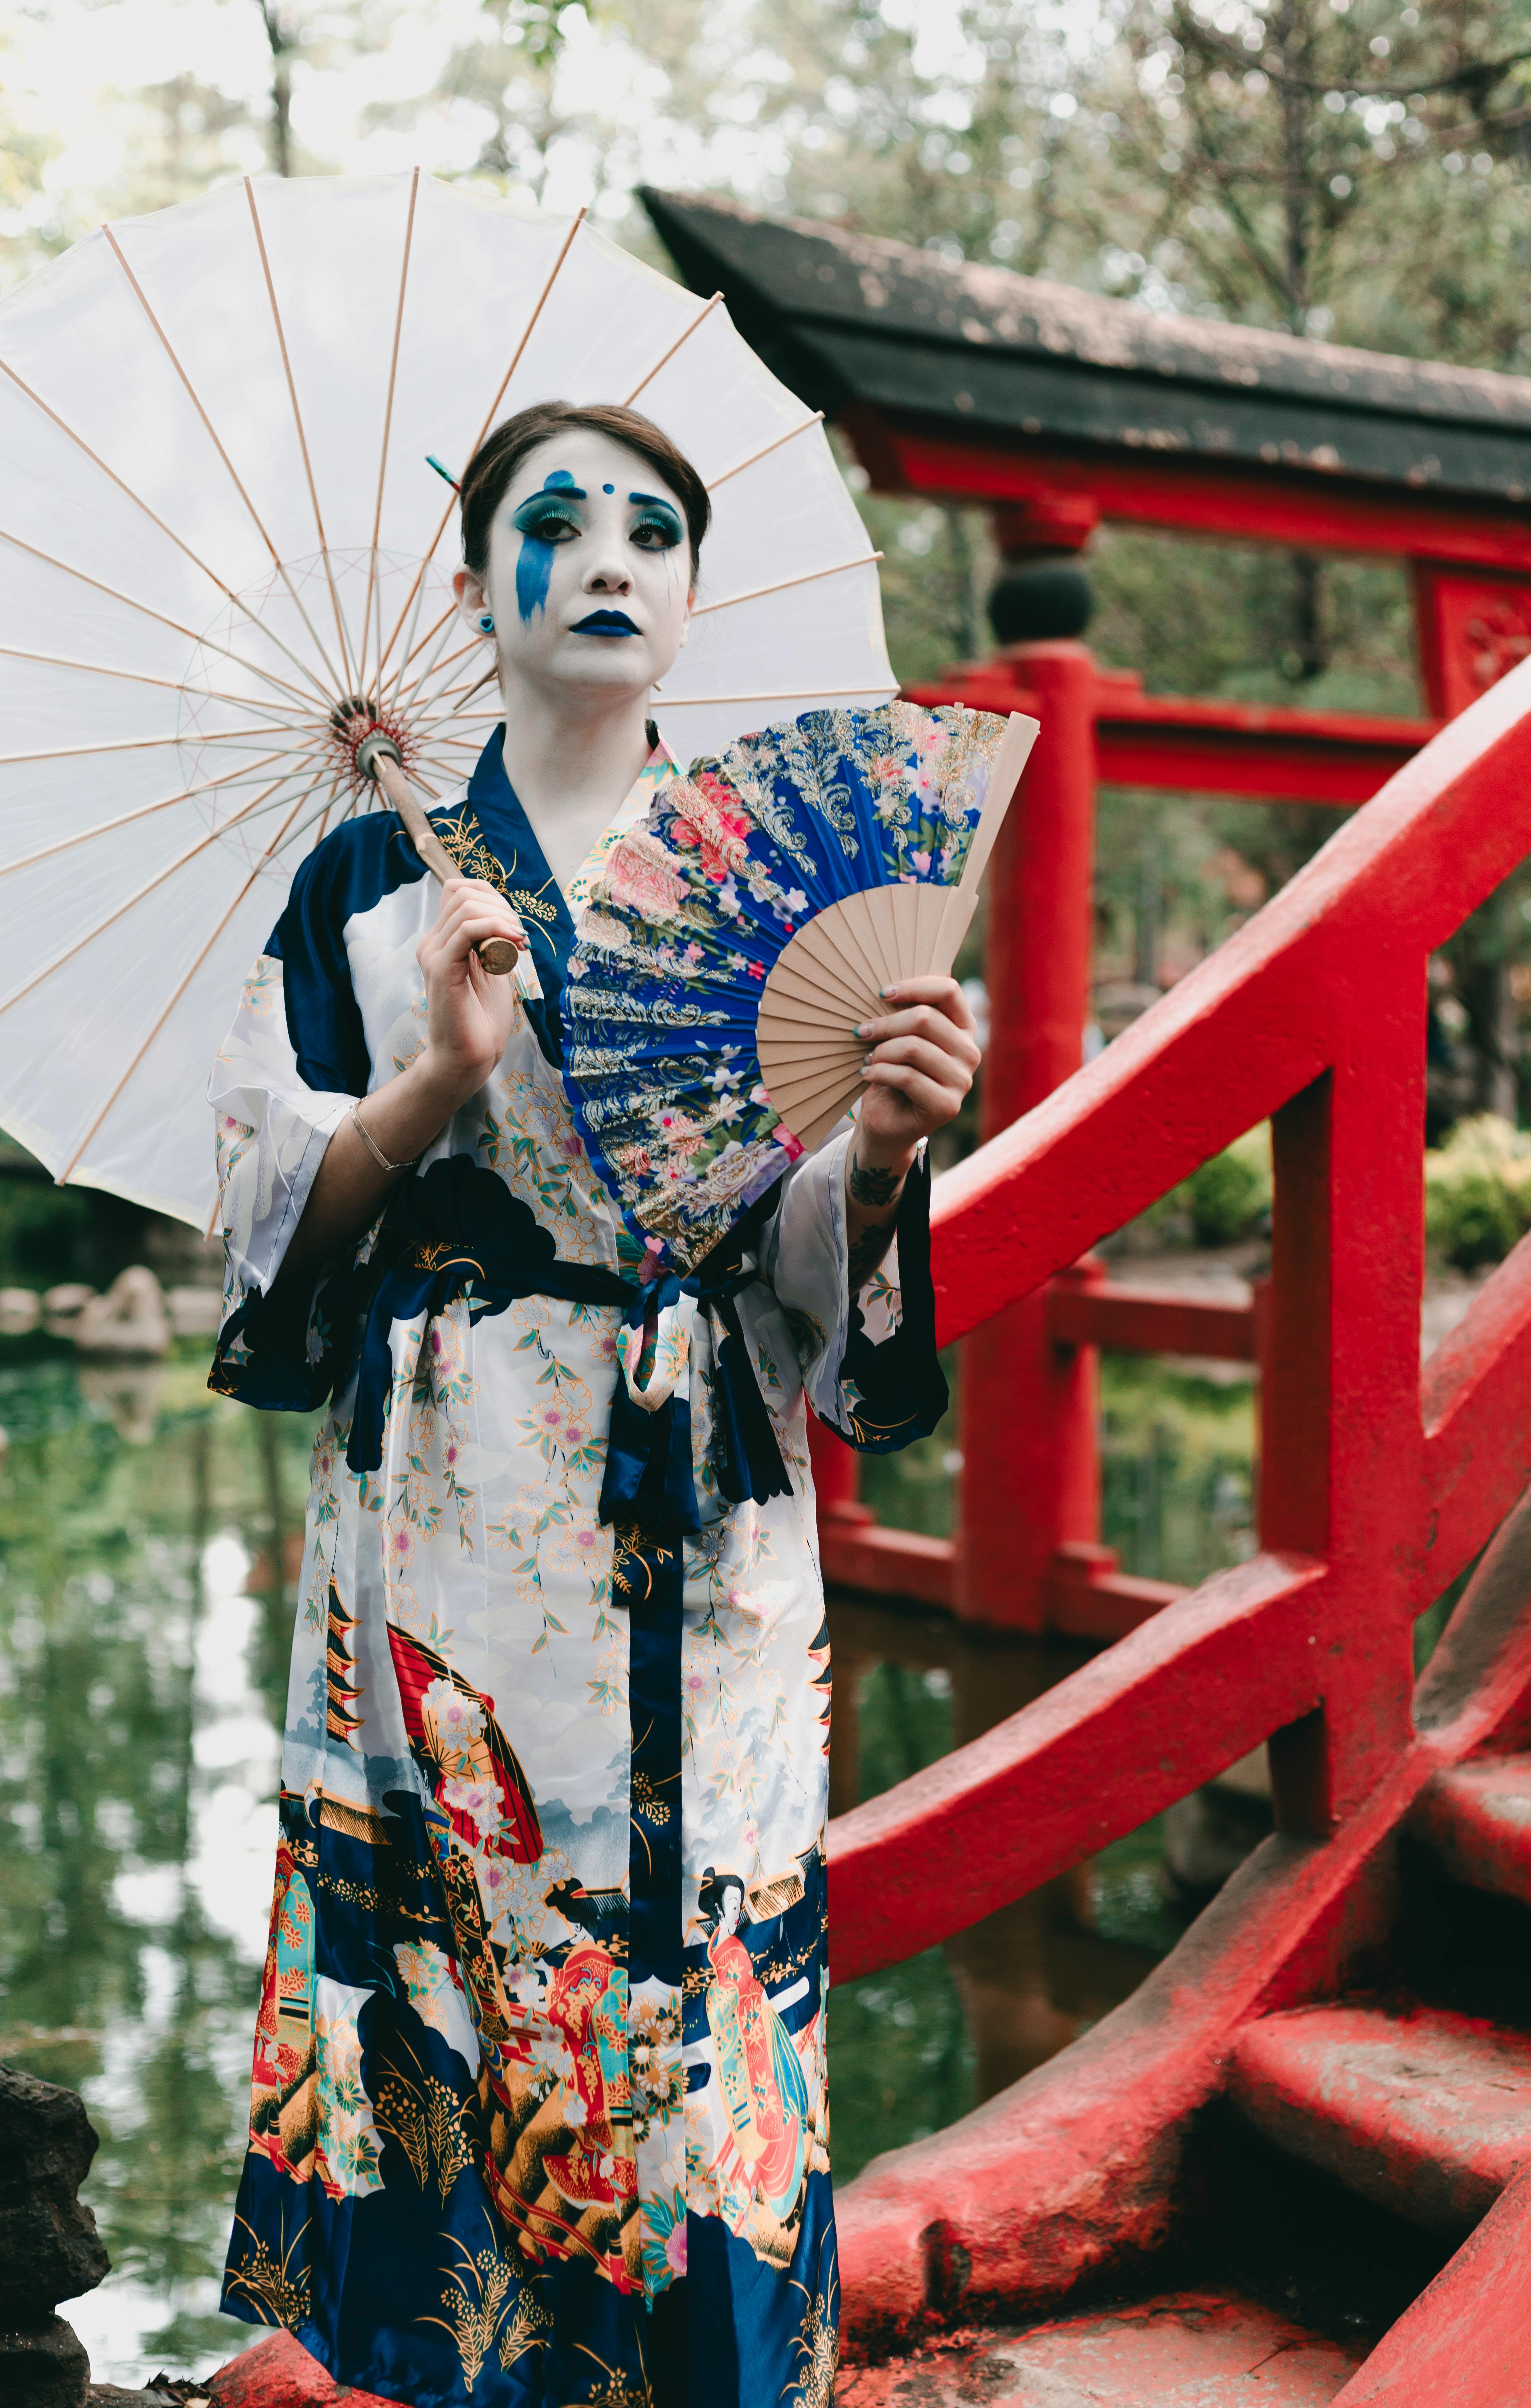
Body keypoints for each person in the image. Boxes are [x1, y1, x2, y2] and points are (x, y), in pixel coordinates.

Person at [208, 398, 978, 2408]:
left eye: (653, 528)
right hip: (455, 1489)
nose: (609, 555)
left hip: (703, 1489)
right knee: (465, 1942)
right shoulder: (363, 885)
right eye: (554, 523)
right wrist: (436, 1083)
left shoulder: (768, 891)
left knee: (706, 1944)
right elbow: (271, 1248)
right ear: (476, 592)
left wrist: (887, 1150)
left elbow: (825, 1288)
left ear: (699, 597)